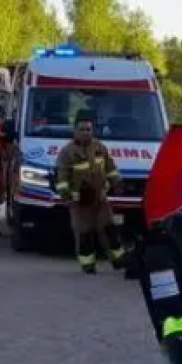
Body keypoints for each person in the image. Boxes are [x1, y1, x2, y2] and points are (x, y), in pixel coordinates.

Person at [56, 110, 125, 274]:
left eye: (88, 129)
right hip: (80, 202)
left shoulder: (100, 147)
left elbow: (111, 169)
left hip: (100, 200)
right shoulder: (67, 152)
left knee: (110, 230)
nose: (85, 132)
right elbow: (62, 178)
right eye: (82, 129)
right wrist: (66, 194)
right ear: (75, 130)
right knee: (84, 234)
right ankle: (88, 264)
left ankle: (119, 260)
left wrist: (118, 183)